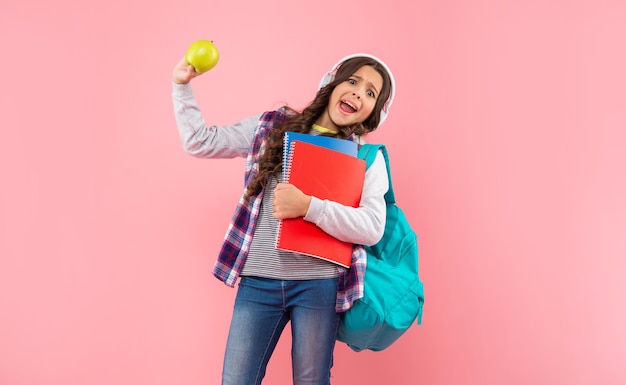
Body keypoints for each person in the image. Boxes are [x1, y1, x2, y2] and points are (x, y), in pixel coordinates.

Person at [171, 52, 396, 385]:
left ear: (375, 111)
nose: (357, 94)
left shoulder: (366, 157)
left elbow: (372, 228)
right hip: (258, 280)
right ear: (332, 82)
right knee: (236, 380)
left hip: (319, 286)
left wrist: (309, 207)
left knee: (311, 381)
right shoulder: (271, 125)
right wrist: (181, 87)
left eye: (370, 93)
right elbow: (200, 141)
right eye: (352, 82)